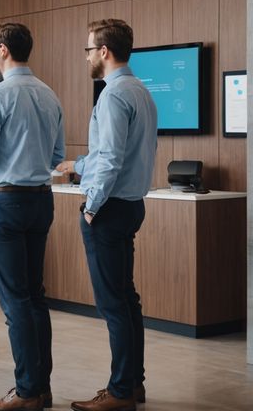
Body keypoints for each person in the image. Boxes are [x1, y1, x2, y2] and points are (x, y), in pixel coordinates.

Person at [57, 20, 156, 411]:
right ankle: (132, 384)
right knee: (127, 300)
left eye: (88, 50)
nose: (86, 57)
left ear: (104, 52)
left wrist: (91, 207)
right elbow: (116, 154)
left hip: (110, 209)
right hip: (131, 205)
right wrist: (79, 163)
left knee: (113, 304)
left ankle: (119, 393)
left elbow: (113, 159)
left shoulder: (113, 96)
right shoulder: (140, 92)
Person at [0, 23, 65, 411]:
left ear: (4, 49)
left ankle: (26, 391)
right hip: (41, 201)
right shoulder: (49, 94)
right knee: (35, 296)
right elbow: (57, 157)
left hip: (6, 202)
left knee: (15, 302)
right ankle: (40, 388)